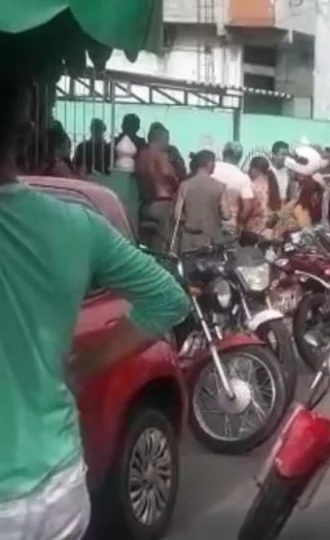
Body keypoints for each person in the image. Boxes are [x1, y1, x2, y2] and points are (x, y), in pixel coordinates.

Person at [0, 79, 189, 539]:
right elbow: (168, 298)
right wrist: (84, 365)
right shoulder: (76, 224)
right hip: (60, 487)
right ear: (27, 134)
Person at [172, 150, 231, 253]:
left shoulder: (184, 186)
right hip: (212, 240)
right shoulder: (220, 186)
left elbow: (177, 215)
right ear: (210, 164)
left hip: (189, 241)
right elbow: (226, 215)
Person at [135, 123, 179, 251]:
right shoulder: (160, 155)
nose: (167, 145)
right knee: (165, 245)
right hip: (162, 204)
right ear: (162, 139)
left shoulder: (140, 155)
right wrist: (176, 182)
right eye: (167, 140)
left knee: (146, 246)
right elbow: (167, 172)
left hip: (145, 205)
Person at [212, 141, 258, 239]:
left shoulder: (211, 169)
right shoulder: (242, 177)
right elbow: (247, 207)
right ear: (240, 157)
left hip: (208, 222)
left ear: (223, 153)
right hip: (230, 225)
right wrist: (239, 223)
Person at [248, 156, 283, 237]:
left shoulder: (252, 186)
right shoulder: (272, 183)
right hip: (270, 227)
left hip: (254, 228)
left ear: (254, 170)